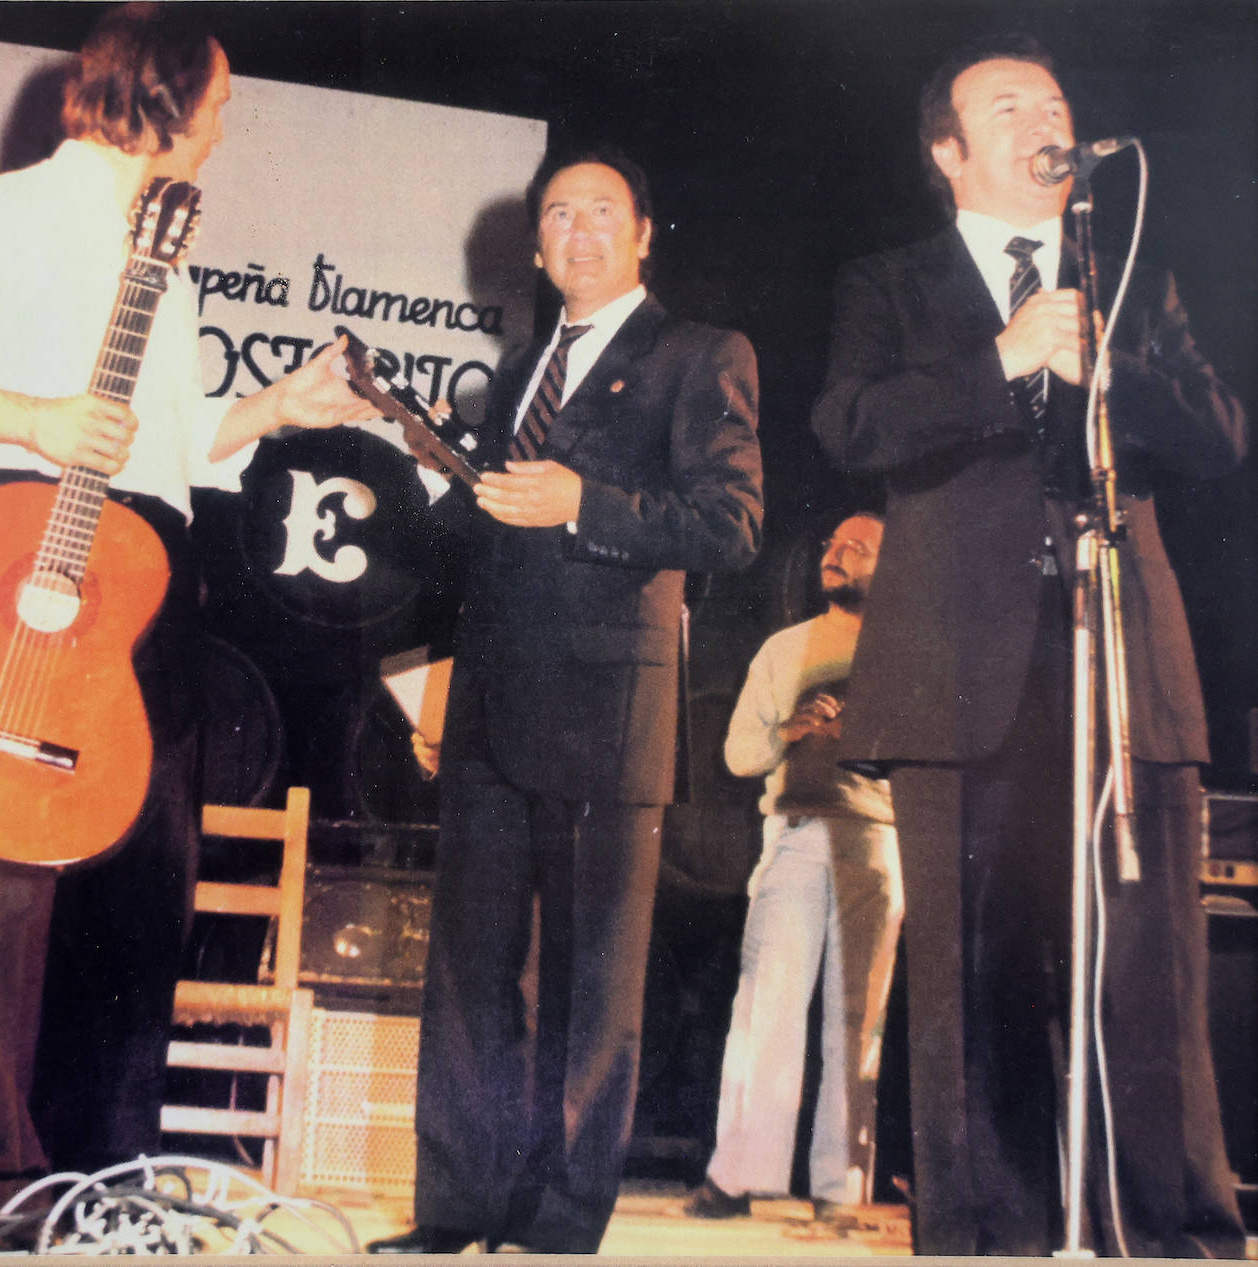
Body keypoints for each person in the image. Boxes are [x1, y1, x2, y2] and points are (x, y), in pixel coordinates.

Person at [0, 4, 377, 1237]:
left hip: (153, 571)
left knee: (139, 871)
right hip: (26, 537)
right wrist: (42, 421)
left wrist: (277, 405)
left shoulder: (161, 241)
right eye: (216, 98)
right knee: (6, 861)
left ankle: (101, 1162)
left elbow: (172, 442)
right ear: (161, 98)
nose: (226, 121)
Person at [811, 34, 1246, 1258]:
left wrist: (1107, 362)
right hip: (960, 665)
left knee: (1148, 971)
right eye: (1008, 104)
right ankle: (989, 1234)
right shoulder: (889, 283)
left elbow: (1217, 432)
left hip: (1121, 657)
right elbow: (850, 423)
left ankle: (1168, 1234)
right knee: (970, 975)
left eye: (1054, 100)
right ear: (949, 153)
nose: (1044, 116)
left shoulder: (1127, 273)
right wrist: (1000, 360)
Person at [365, 147, 763, 1255]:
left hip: (609, 713)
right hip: (490, 704)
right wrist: (420, 483)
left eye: (601, 212)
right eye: (556, 214)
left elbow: (729, 523)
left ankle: (556, 1223)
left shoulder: (701, 355)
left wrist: (585, 500)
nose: (576, 230)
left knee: (592, 990)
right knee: (466, 970)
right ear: (536, 246)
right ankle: (454, 1209)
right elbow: (496, 532)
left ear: (643, 233)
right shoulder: (526, 363)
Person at [684, 512, 903, 1220]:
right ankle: (736, 1177)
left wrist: (866, 730)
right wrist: (794, 727)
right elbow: (737, 754)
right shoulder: (786, 646)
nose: (836, 556)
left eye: (857, 549)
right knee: (765, 1006)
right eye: (833, 546)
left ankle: (841, 1188)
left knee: (858, 1016)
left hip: (877, 837)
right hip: (797, 831)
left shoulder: (911, 648)